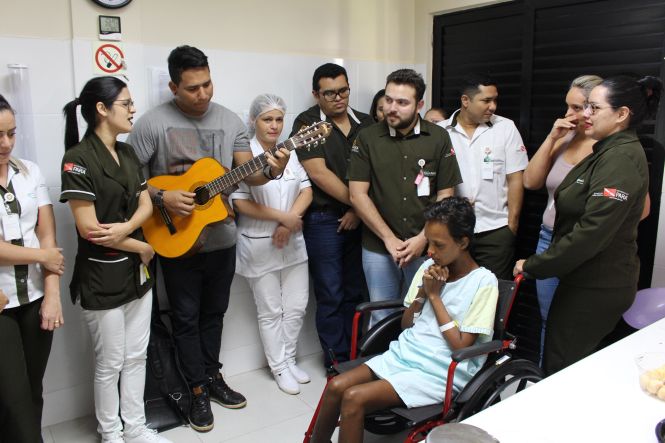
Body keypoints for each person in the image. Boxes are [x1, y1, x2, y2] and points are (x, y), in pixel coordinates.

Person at [128, 45, 290, 432]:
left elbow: (243, 173)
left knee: (214, 315)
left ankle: (212, 377)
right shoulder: (151, 124)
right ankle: (196, 389)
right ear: (173, 86)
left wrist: (271, 171)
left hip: (221, 237)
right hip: (175, 239)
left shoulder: (229, 119)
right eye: (192, 88)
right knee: (184, 319)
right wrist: (162, 195)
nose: (202, 94)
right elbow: (129, 179)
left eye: (207, 84)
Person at [309, 197, 498, 443]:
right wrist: (422, 292)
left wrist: (435, 297)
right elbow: (406, 324)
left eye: (438, 245)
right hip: (406, 354)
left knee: (354, 397)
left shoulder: (483, 282)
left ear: (463, 242)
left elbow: (461, 346)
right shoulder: (429, 267)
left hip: (439, 370)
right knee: (336, 387)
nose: (430, 251)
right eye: (429, 242)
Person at [514, 75, 662, 375]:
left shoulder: (619, 158)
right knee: (563, 355)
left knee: (563, 365)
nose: (585, 115)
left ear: (622, 114)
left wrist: (533, 265)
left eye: (594, 108)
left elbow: (591, 233)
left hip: (595, 281)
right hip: (580, 272)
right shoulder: (605, 149)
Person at [60, 77, 171, 443]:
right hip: (102, 277)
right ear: (102, 109)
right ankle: (111, 434)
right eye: (126, 103)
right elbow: (90, 229)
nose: (133, 109)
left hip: (136, 274)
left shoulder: (127, 154)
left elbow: (144, 203)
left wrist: (124, 230)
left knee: (136, 356)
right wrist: (137, 243)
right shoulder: (77, 159)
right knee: (110, 363)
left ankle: (136, 428)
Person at [349, 69, 462, 325]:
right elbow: (357, 195)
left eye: (402, 102)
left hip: (426, 246)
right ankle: (380, 365)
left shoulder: (438, 137)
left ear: (419, 104)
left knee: (423, 314)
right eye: (388, 100)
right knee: (380, 315)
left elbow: (445, 194)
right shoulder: (367, 138)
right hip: (379, 247)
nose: (392, 108)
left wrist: (423, 238)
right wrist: (388, 239)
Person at [291, 63, 373, 370]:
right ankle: (337, 362)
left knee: (356, 290)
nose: (338, 98)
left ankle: (357, 356)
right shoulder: (307, 123)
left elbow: (374, 171)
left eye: (343, 91)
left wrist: (358, 209)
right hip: (324, 221)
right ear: (316, 94)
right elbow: (318, 173)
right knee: (330, 293)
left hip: (360, 218)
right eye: (329, 93)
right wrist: (358, 203)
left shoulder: (366, 122)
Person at [231, 94, 313, 395]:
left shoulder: (288, 151)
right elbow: (240, 201)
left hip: (292, 241)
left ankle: (289, 359)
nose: (275, 125)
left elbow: (306, 189)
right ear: (254, 121)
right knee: (270, 311)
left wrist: (289, 220)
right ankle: (278, 367)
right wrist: (283, 218)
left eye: (279, 119)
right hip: (258, 243)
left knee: (296, 306)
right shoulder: (245, 155)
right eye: (268, 119)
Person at [522, 75, 603, 362]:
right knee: (549, 320)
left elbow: (639, 210)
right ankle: (546, 383)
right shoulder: (566, 137)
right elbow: (530, 182)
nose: (568, 114)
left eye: (577, 108)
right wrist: (552, 137)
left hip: (585, 247)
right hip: (549, 239)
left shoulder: (609, 147)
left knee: (579, 325)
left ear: (596, 108)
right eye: (567, 106)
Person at [0, 94, 64, 443]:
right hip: (2, 303)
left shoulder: (30, 172)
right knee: (13, 398)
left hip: (35, 296)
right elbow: (45, 252)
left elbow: (47, 232)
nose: (6, 143)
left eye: (11, 133)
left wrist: (52, 296)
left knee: (32, 391)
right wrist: (42, 257)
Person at [439, 74, 528, 280]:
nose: (493, 106)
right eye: (486, 100)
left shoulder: (505, 128)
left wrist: (511, 226)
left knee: (494, 294)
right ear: (465, 101)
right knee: (455, 293)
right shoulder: (441, 131)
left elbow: (516, 178)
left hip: (495, 230)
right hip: (454, 231)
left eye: (495, 100)